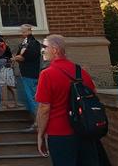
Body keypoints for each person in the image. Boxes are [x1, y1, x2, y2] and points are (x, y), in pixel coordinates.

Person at [35, 35, 98, 166]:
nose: (42, 50)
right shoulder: (81, 72)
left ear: (55, 49)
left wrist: (40, 134)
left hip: (59, 133)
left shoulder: (47, 74)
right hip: (84, 130)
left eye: (45, 47)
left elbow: (44, 108)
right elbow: (94, 94)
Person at [12, 25, 42, 129]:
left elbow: (24, 57)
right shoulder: (27, 42)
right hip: (28, 73)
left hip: (30, 74)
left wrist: (16, 58)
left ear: (28, 31)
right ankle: (36, 121)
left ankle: (38, 123)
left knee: (32, 99)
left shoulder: (32, 43)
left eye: (23, 30)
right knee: (30, 98)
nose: (21, 32)